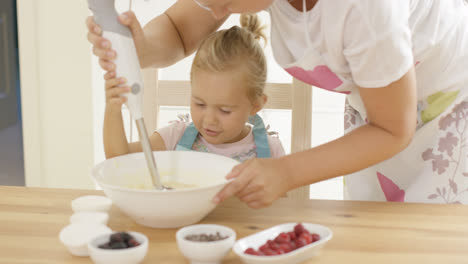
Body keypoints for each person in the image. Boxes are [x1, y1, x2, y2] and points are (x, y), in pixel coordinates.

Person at [87, 0, 468, 206]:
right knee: (376, 233)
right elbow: (179, 28)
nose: (213, 10)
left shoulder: (365, 9)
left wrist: (285, 172)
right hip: (377, 113)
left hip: (446, 108)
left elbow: (390, 127)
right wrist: (141, 48)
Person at [102, 13, 285, 164]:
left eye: (224, 110)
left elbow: (283, 208)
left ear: (255, 105)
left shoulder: (272, 151)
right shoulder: (174, 137)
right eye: (200, 104)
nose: (210, 120)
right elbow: (120, 160)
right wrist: (113, 108)